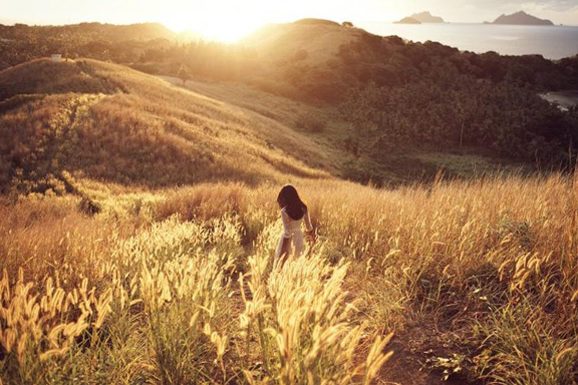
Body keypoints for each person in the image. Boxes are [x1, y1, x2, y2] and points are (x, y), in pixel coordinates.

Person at [275, 184, 316, 263]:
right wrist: (313, 242)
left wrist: (283, 252)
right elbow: (309, 227)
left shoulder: (284, 211)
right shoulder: (303, 208)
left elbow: (287, 233)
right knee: (297, 262)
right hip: (299, 239)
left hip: (287, 240)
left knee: (282, 264)